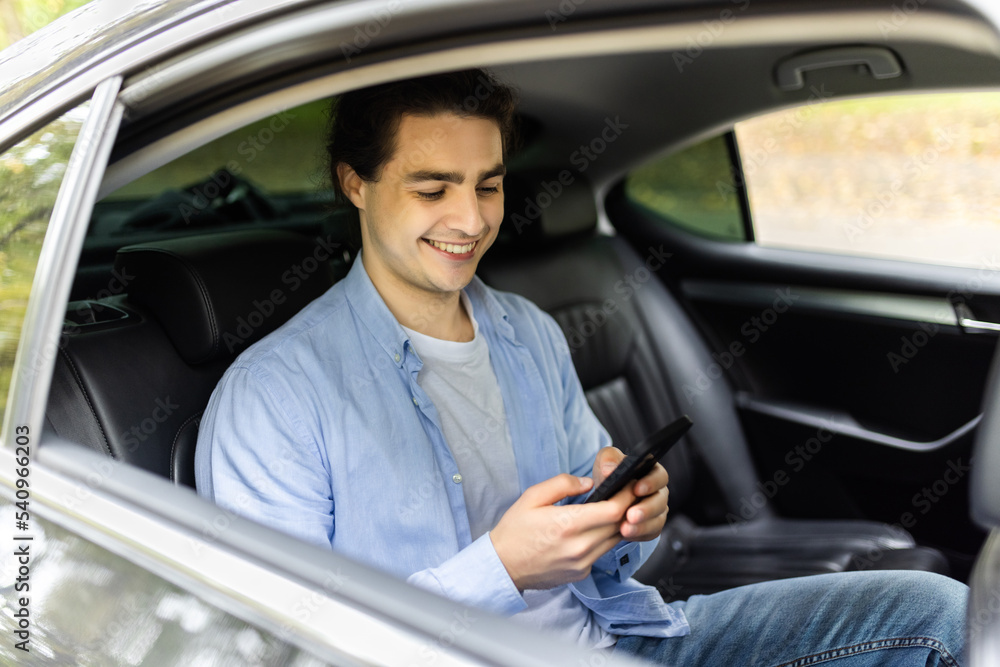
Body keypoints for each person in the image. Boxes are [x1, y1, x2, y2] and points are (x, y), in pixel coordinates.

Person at [195, 69, 968, 664]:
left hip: (629, 636)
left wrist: (631, 518)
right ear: (354, 182)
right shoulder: (273, 398)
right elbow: (282, 645)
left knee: (942, 616)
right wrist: (502, 567)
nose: (471, 220)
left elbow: (609, 551)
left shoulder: (527, 332)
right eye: (433, 188)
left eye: (488, 185)